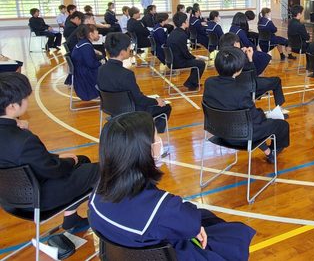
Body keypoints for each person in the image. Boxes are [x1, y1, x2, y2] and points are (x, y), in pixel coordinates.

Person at [88, 111, 255, 259]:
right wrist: (194, 227)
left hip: (124, 253)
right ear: (145, 151)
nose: (160, 139)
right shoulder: (164, 208)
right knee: (235, 234)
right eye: (156, 136)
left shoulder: (95, 195)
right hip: (171, 254)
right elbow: (190, 223)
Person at [0, 72, 99, 231]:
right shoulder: (24, 140)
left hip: (8, 196)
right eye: (25, 99)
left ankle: (71, 219)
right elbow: (53, 171)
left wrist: (59, 158)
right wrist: (68, 160)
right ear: (12, 106)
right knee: (98, 170)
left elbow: (23, 160)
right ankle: (107, 220)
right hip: (38, 199)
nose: (27, 101)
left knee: (83, 160)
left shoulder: (15, 134)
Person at [203, 47, 290, 163]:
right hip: (240, 136)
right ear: (238, 70)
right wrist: (264, 115)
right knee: (282, 125)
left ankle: (268, 152)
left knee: (244, 122)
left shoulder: (209, 83)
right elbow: (255, 119)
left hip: (218, 131)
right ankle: (273, 151)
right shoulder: (240, 91)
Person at [97, 33, 171, 133]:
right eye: (128, 48)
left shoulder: (101, 69)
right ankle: (152, 135)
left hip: (111, 109)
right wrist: (156, 101)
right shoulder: (126, 74)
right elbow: (139, 100)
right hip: (130, 111)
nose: (130, 49)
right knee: (166, 107)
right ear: (122, 52)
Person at [219, 33, 288, 114]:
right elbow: (254, 75)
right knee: (276, 80)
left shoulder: (221, 57)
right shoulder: (243, 57)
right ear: (235, 44)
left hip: (230, 89)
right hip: (249, 88)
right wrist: (250, 58)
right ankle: (280, 109)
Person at [166, 12, 205, 91]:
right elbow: (185, 53)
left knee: (196, 62)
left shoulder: (174, 32)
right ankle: (192, 84)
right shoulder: (182, 35)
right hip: (178, 62)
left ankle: (191, 82)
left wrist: (193, 57)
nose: (188, 22)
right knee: (201, 63)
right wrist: (195, 57)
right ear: (184, 23)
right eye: (187, 20)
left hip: (171, 60)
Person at [71, 25, 103, 101]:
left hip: (80, 71)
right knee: (106, 70)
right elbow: (91, 64)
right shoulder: (86, 46)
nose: (98, 35)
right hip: (84, 74)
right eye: (97, 33)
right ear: (90, 34)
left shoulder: (83, 43)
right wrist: (101, 63)